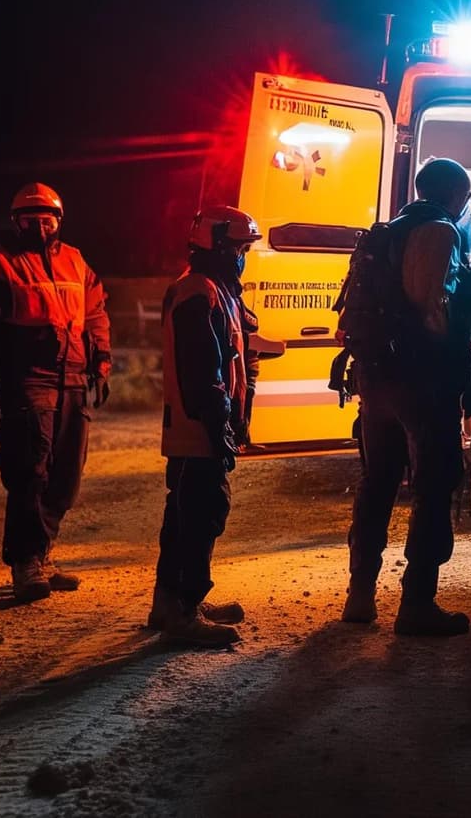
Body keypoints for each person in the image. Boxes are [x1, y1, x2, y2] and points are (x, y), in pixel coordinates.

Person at [340, 157, 471, 637]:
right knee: (435, 483)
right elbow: (432, 309)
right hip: (420, 379)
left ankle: (360, 596)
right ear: (455, 193)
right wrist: (455, 347)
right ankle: (417, 603)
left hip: (375, 377)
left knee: (377, 482)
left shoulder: (385, 232)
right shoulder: (439, 231)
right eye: (466, 196)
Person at [0, 183, 112, 601]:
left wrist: (102, 360)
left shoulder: (76, 260)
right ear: (16, 221)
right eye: (31, 219)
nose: (40, 226)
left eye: (48, 218)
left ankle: (42, 554)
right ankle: (25, 563)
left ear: (59, 220)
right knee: (29, 471)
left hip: (74, 379)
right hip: (28, 379)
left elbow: (95, 312)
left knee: (65, 476)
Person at [148, 205, 262, 647]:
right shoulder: (200, 292)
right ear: (216, 247)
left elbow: (232, 352)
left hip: (196, 426)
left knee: (185, 515)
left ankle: (172, 602)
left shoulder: (213, 289)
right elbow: (202, 369)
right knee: (201, 515)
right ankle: (183, 610)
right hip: (198, 428)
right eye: (237, 247)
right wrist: (221, 425)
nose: (242, 256)